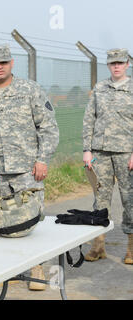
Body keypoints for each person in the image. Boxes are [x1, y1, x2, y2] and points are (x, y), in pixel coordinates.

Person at [0, 44, 59, 290]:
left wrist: (43, 158)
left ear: (12, 63)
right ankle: (6, 269)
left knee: (33, 218)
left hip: (26, 169)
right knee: (0, 221)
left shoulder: (30, 90)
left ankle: (38, 266)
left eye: (3, 62)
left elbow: (48, 126)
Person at [82, 48, 132, 265]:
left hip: (126, 153)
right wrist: (87, 149)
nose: (116, 66)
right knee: (100, 198)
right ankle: (98, 244)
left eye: (120, 62)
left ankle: (131, 247)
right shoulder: (100, 88)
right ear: (108, 65)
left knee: (129, 199)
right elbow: (89, 119)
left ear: (128, 64)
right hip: (100, 152)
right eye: (113, 63)